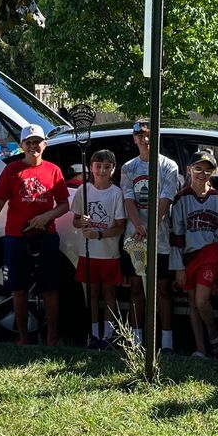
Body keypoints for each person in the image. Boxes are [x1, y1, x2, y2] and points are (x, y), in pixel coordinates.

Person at [0, 124, 69, 346]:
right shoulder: (12, 170)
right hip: (16, 237)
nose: (33, 146)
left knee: (50, 287)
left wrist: (46, 217)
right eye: (29, 142)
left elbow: (64, 205)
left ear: (44, 144)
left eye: (37, 142)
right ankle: (23, 336)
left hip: (46, 235)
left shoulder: (53, 170)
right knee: (18, 288)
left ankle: (52, 335)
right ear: (21, 146)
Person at [121, 119, 181, 352]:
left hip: (160, 239)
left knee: (162, 290)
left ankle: (166, 342)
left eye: (150, 135)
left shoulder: (168, 166)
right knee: (136, 288)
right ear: (135, 139)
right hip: (134, 239)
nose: (145, 140)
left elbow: (165, 200)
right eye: (141, 136)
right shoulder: (128, 168)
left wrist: (151, 226)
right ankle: (136, 340)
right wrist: (138, 225)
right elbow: (128, 198)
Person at [169, 151, 218, 358]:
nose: (202, 174)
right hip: (188, 257)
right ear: (189, 170)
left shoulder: (217, 199)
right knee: (193, 304)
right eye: (198, 168)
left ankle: (214, 334)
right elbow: (176, 236)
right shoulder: (181, 199)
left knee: (202, 300)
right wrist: (178, 267)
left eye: (208, 170)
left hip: (210, 255)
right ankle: (200, 349)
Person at [71, 148, 126, 349]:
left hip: (109, 253)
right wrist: (82, 222)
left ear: (113, 169)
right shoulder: (83, 191)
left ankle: (109, 335)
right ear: (90, 168)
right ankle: (93, 334)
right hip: (88, 253)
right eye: (98, 166)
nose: (102, 171)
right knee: (92, 294)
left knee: (109, 293)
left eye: (106, 167)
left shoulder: (116, 193)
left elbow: (120, 226)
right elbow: (75, 221)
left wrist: (99, 234)